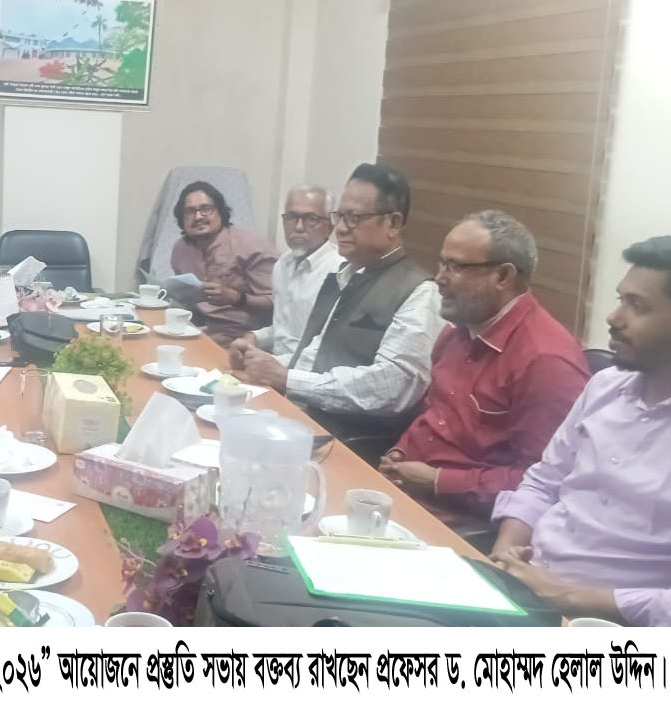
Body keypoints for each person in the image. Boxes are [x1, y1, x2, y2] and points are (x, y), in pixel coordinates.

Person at [490, 236, 671, 626]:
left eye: (637, 306)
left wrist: (570, 596)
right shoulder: (605, 386)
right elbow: (543, 482)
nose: (614, 318)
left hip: (608, 626)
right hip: (528, 587)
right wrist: (506, 552)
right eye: (620, 299)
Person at [378, 211, 589, 517]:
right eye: (442, 263)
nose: (440, 279)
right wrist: (401, 451)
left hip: (461, 522)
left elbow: (542, 484)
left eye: (456, 267)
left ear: (503, 276)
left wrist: (439, 481)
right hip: (405, 494)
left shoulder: (546, 361)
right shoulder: (458, 331)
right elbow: (435, 419)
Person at [229, 162, 443, 439]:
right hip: (302, 416)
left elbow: (393, 388)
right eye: (340, 216)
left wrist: (287, 379)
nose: (340, 228)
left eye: (353, 218)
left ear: (393, 223)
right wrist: (259, 362)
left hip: (348, 439)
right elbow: (315, 356)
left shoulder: (420, 292)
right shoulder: (347, 275)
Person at [235, 184, 343, 357]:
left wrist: (273, 364)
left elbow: (328, 349)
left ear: (329, 227)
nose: (298, 227)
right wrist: (253, 337)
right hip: (274, 364)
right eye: (292, 217)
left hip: (305, 371)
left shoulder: (339, 272)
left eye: (311, 219)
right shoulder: (283, 264)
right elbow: (283, 331)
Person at [168, 181, 277, 347]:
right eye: (190, 212)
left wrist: (236, 298)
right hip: (202, 331)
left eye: (205, 209)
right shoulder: (181, 249)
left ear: (220, 212)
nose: (198, 217)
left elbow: (278, 305)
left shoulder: (252, 246)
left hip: (245, 339)